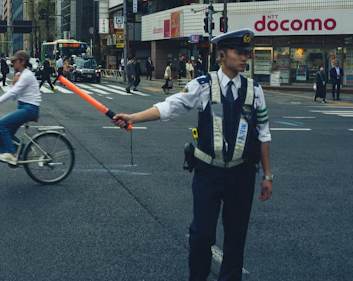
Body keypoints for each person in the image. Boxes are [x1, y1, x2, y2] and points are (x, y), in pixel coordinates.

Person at [111, 28, 273, 281]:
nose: (244, 57)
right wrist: (133, 117)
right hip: (208, 172)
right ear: (221, 55)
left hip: (242, 174)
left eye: (246, 53)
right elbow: (169, 107)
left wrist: (267, 175)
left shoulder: (255, 90)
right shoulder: (202, 85)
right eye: (238, 52)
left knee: (236, 236)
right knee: (202, 235)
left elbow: (263, 133)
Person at [0, 50, 41, 165]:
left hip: (29, 108)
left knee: (1, 125)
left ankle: (12, 155)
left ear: (22, 62)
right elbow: (15, 95)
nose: (12, 63)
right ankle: (27, 150)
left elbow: (12, 93)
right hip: (25, 107)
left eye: (15, 61)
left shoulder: (27, 75)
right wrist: (13, 83)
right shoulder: (21, 75)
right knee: (6, 132)